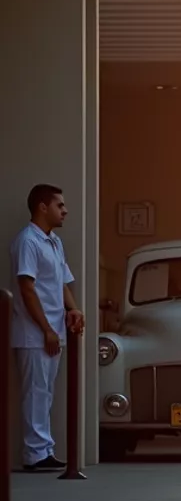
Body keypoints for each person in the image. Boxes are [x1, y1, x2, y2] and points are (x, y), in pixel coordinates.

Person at [10, 184, 84, 473]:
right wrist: (45, 329)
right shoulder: (27, 241)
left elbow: (61, 282)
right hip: (34, 334)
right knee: (36, 392)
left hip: (54, 331)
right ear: (43, 206)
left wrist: (73, 308)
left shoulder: (53, 242)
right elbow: (26, 288)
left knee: (46, 392)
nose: (64, 211)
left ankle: (45, 448)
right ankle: (35, 453)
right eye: (60, 205)